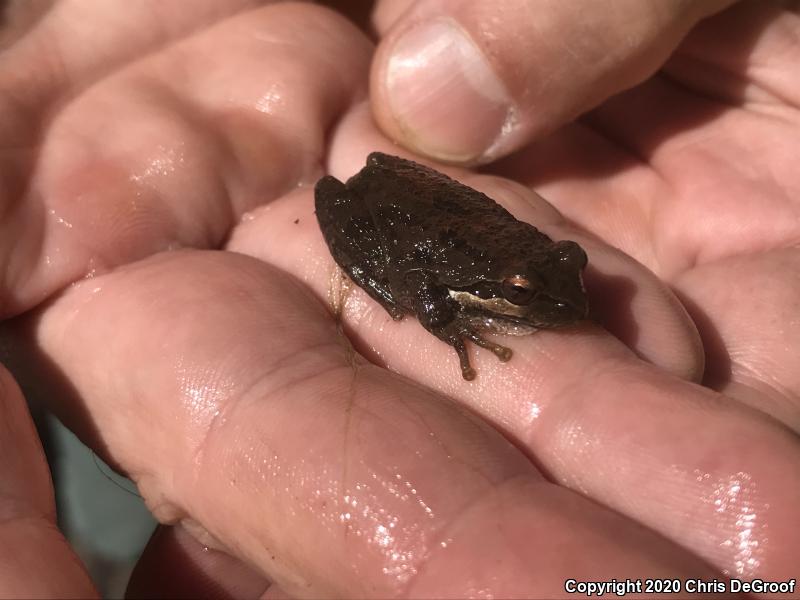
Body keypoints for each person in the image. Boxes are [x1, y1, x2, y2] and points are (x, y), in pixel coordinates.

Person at [0, 1, 798, 597]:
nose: (566, 297)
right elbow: (427, 290)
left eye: (566, 271)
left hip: (423, 194)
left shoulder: (538, 269)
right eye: (532, 290)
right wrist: (445, 319)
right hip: (387, 215)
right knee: (414, 291)